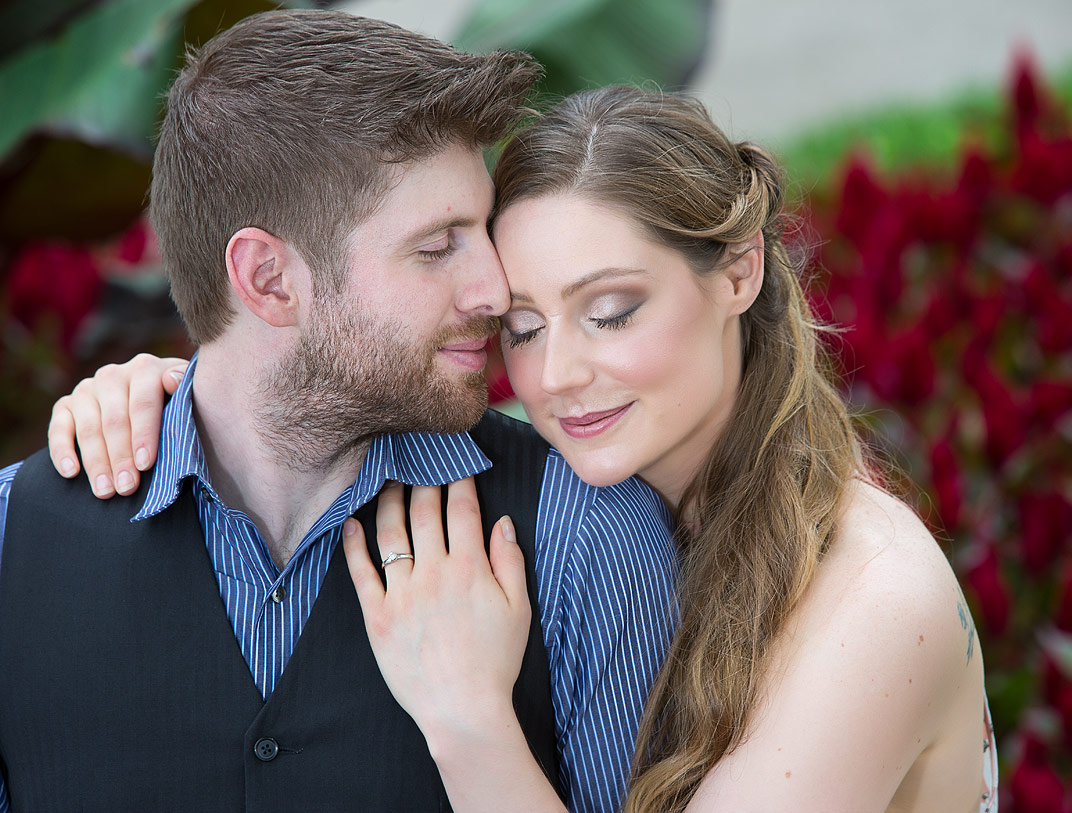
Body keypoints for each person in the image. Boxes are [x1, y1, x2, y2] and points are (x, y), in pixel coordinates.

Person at [50, 87, 1000, 811]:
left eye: (612, 310)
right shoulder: (629, 520)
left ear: (741, 271)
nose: (559, 376)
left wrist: (468, 719)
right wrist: (185, 402)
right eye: (528, 326)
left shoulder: (877, 603)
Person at [0, 12, 678, 813]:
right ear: (269, 280)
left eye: (482, 230)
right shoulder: (14, 541)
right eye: (437, 246)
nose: (495, 290)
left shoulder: (587, 536)